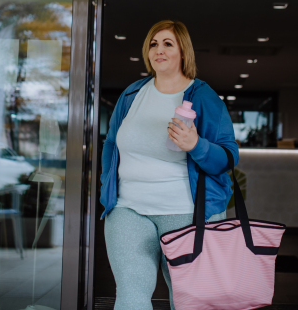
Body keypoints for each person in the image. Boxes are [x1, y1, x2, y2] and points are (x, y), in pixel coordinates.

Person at [99, 20, 239, 310]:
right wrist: (106, 187)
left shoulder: (203, 96)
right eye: (153, 44)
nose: (158, 50)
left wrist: (195, 145)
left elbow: (228, 157)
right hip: (128, 209)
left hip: (185, 212)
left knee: (188, 300)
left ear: (183, 52)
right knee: (130, 295)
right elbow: (111, 144)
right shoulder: (132, 95)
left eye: (167, 43)